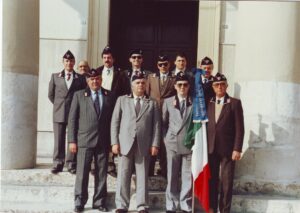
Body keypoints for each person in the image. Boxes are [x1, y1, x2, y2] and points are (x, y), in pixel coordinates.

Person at [111, 73, 160, 213]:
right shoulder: (122, 100)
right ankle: (121, 205)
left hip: (144, 144)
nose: (140, 85)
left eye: (143, 83)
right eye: (138, 82)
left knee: (142, 176)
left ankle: (142, 205)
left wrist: (155, 144)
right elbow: (115, 122)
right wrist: (114, 142)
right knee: (123, 175)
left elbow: (156, 125)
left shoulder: (152, 103)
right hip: (125, 143)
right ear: (132, 85)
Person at [68, 69, 114, 212]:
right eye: (92, 79)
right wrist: (72, 141)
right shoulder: (79, 95)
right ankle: (79, 201)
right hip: (84, 141)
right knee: (82, 173)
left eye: (97, 79)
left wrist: (113, 142)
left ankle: (99, 202)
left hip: (103, 141)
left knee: (101, 173)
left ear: (101, 80)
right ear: (88, 81)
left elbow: (113, 121)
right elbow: (72, 119)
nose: (95, 82)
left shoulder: (109, 95)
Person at [207, 73, 245, 213]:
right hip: (211, 148)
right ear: (213, 87)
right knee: (212, 181)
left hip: (228, 149)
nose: (220, 87)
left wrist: (237, 148)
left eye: (222, 84)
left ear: (227, 86)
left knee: (226, 182)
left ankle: (224, 210)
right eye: (217, 85)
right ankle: (211, 208)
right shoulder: (208, 102)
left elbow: (240, 128)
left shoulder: (234, 103)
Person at [48, 50, 86, 174]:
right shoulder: (55, 76)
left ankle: (71, 163)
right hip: (59, 112)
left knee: (72, 138)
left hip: (74, 113)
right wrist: (60, 105)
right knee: (58, 139)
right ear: (63, 62)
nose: (69, 63)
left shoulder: (80, 78)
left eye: (71, 61)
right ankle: (58, 163)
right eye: (66, 61)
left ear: (74, 62)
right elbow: (51, 95)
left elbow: (82, 95)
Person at [162, 72, 193, 213]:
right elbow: (163, 122)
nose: (182, 87)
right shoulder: (168, 102)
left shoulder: (194, 102)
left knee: (187, 175)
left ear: (188, 86)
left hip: (188, 143)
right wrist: (165, 138)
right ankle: (171, 203)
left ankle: (185, 202)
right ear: (175, 86)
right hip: (172, 142)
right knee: (172, 174)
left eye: (185, 85)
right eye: (179, 85)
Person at [96, 45, 128, 177]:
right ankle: (96, 164)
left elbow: (125, 91)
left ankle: (110, 164)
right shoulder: (97, 71)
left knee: (112, 136)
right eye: (104, 57)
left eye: (109, 57)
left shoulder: (120, 73)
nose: (107, 60)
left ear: (113, 59)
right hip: (100, 108)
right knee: (99, 135)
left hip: (115, 108)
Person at [146, 54, 176, 177]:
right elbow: (147, 94)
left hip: (168, 115)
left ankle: (164, 171)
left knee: (165, 144)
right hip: (153, 113)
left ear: (169, 64)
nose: (163, 66)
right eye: (160, 64)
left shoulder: (174, 78)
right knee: (152, 142)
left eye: (165, 64)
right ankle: (150, 171)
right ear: (157, 66)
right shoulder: (151, 77)